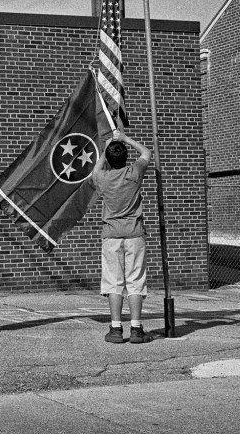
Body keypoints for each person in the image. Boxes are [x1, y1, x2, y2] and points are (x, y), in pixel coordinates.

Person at [91, 130, 153, 344]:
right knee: (136, 281)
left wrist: (106, 146)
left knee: (113, 282)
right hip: (135, 233)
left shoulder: (102, 178)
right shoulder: (134, 173)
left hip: (111, 235)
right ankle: (136, 328)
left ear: (109, 159)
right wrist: (125, 139)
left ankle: (116, 329)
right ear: (126, 158)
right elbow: (146, 152)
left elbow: (95, 170)